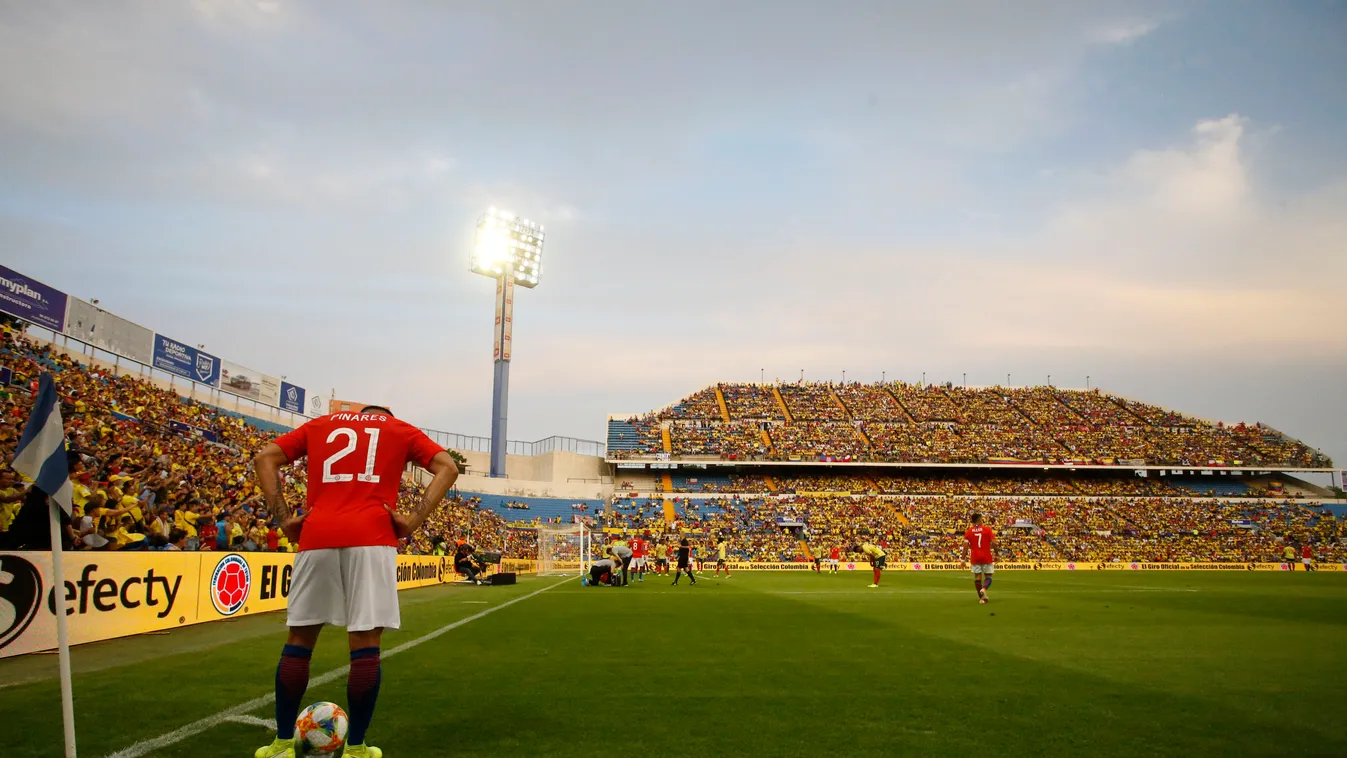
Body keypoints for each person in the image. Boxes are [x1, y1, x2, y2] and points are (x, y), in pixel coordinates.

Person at [251, 405, 459, 758]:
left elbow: (265, 457)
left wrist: (284, 518)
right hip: (372, 536)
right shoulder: (399, 428)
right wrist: (412, 520)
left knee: (300, 638)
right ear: (385, 415)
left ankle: (282, 743)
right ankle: (357, 748)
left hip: (317, 534)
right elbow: (448, 467)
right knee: (364, 643)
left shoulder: (322, 424)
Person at [964, 512, 996, 604]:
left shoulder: (969, 531)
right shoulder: (987, 529)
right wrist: (997, 554)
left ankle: (982, 598)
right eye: (981, 519)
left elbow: (965, 546)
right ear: (978, 520)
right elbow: (994, 543)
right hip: (986, 556)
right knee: (988, 576)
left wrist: (962, 559)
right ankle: (984, 589)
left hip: (975, 557)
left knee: (977, 577)